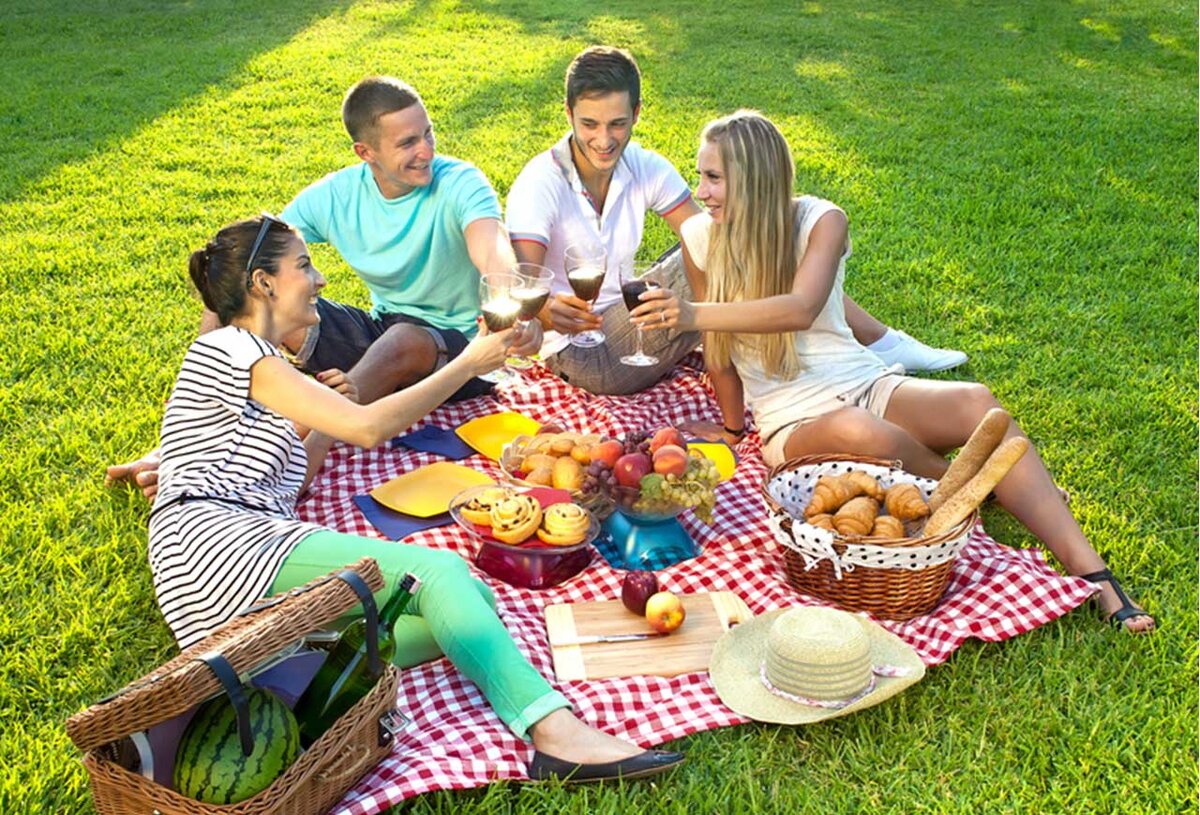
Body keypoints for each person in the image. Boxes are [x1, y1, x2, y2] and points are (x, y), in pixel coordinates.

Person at [148, 214, 684, 781]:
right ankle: (553, 730)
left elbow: (294, 478)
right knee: (438, 574)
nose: (321, 280)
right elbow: (372, 429)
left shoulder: (266, 365)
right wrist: (466, 363)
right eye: (304, 265)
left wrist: (327, 419)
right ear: (263, 283)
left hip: (218, 588)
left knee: (469, 597)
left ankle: (303, 678)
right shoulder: (234, 348)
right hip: (216, 547)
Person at [634, 110, 1153, 633]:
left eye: (714, 177)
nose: (701, 191)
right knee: (860, 432)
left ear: (756, 177)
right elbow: (720, 350)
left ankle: (1097, 577)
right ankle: (982, 489)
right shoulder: (700, 237)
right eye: (701, 175)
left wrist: (693, 315)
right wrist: (730, 428)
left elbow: (800, 307)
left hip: (864, 380)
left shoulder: (821, 221)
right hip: (793, 418)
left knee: (978, 402)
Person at [108, 75, 541, 498]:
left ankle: (303, 456)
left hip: (462, 349)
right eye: (407, 143)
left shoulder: (462, 182)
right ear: (365, 151)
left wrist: (508, 306)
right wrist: (208, 381)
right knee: (264, 305)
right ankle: (186, 448)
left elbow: (492, 251)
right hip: (382, 330)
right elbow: (247, 267)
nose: (426, 150)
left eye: (428, 133)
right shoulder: (335, 195)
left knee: (402, 340)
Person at [506, 45, 964, 394]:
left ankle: (862, 345)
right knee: (709, 247)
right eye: (589, 124)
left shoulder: (643, 166)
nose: (604, 140)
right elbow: (526, 289)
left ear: (636, 114)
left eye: (617, 124)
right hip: (584, 354)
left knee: (726, 236)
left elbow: (726, 233)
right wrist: (547, 309)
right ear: (568, 114)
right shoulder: (540, 182)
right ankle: (870, 346)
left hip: (633, 329)